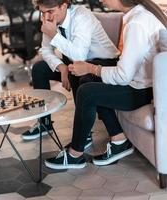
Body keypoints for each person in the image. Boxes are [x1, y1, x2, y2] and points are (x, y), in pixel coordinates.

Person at [45, 0, 167, 170]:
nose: (101, 0)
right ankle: (119, 141)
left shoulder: (137, 23)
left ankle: (75, 154)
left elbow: (123, 76)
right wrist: (90, 71)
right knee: (87, 79)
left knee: (87, 92)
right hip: (140, 83)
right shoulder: (137, 15)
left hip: (142, 91)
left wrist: (91, 67)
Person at [21, 0, 120, 144]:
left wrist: (54, 35)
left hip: (104, 63)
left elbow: (79, 56)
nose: (46, 17)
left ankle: (84, 135)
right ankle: (45, 123)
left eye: (50, 11)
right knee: (39, 69)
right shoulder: (51, 19)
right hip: (76, 62)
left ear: (64, 5)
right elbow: (46, 50)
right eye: (42, 12)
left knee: (75, 70)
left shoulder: (81, 16)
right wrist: (61, 67)